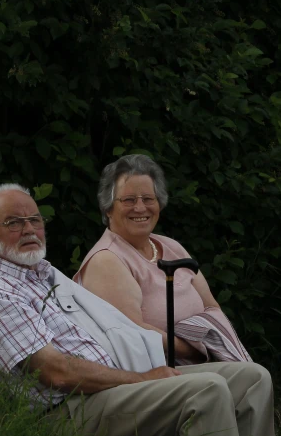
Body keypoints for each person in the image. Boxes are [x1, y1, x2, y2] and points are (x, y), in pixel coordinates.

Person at [0, 184, 279, 436]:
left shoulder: (38, 272)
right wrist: (144, 378)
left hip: (106, 390)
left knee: (251, 378)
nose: (29, 229)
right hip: (65, 415)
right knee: (205, 390)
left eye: (35, 220)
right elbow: (57, 373)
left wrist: (141, 366)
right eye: (14, 222)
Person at [74, 154, 252, 365]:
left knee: (257, 377)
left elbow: (212, 308)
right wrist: (195, 347)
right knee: (254, 377)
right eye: (129, 200)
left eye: (148, 199)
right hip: (158, 369)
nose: (140, 208)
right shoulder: (106, 260)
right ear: (108, 208)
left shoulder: (171, 247)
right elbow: (133, 331)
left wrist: (206, 345)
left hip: (203, 359)